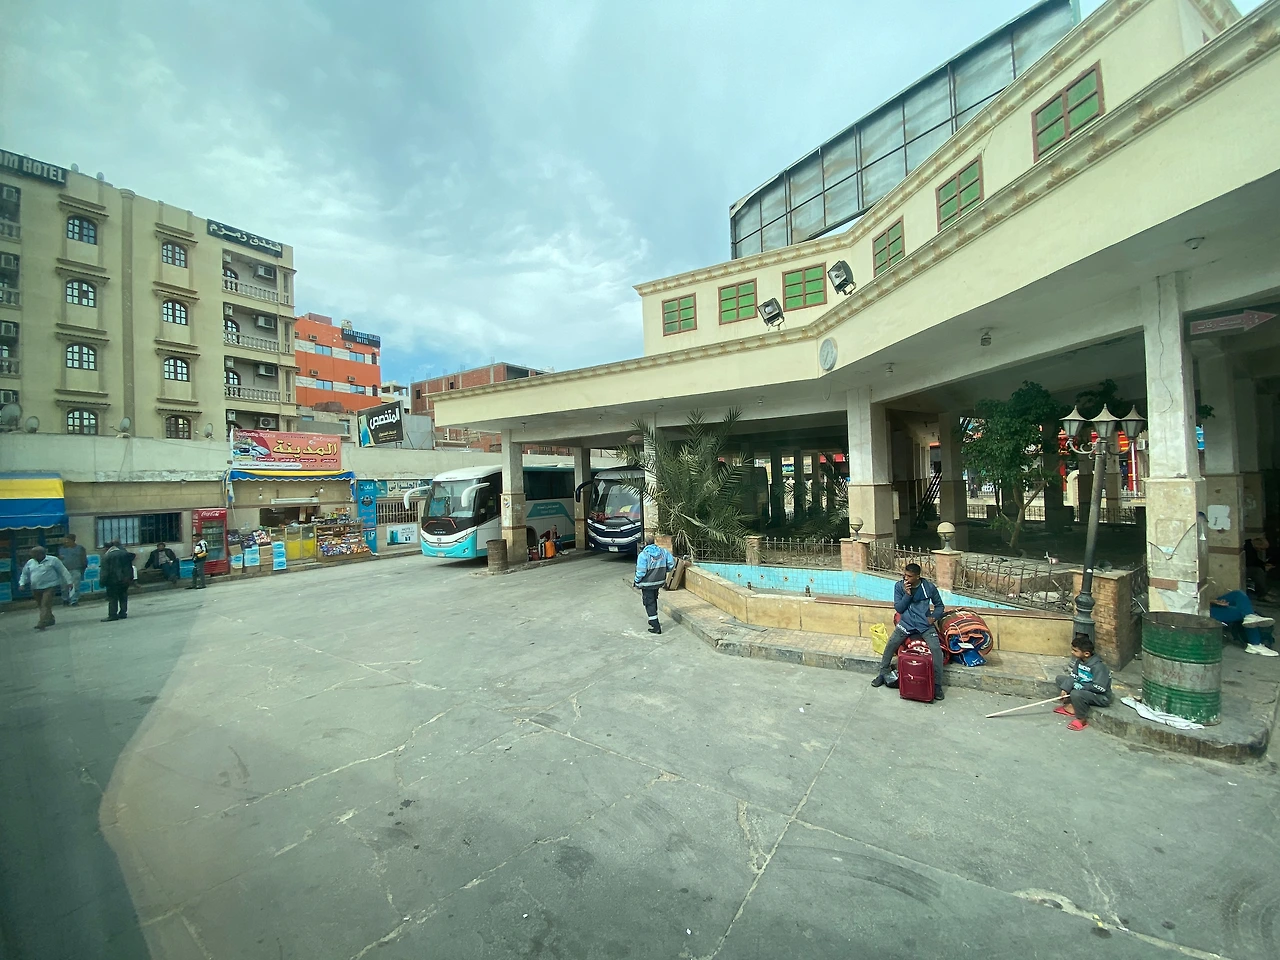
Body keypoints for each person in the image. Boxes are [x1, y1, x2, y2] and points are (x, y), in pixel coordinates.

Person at [872, 562, 946, 700]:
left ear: (917, 576)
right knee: (891, 644)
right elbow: (899, 608)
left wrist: (933, 617)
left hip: (924, 625)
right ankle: (883, 673)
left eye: (909, 576)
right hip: (906, 623)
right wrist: (907, 595)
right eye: (905, 575)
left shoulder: (928, 587)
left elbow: (940, 606)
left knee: (936, 650)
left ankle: (936, 685)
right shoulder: (899, 586)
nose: (906, 578)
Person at [1054, 636, 1113, 730]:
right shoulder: (1079, 661)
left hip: (1100, 696)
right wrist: (1065, 688)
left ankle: (1082, 719)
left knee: (1076, 693)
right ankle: (1071, 706)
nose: (1072, 652)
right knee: (1061, 679)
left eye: (1075, 650)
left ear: (1086, 654)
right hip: (1083, 687)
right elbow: (1074, 676)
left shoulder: (1099, 667)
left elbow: (1100, 688)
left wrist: (1081, 687)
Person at [18, 545, 75, 631]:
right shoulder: (30, 562)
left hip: (49, 586)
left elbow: (63, 570)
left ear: (41, 554)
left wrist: (69, 582)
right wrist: (22, 584)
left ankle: (42, 622)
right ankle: (50, 618)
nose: (32, 555)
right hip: (35, 587)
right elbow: (25, 574)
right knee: (41, 605)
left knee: (45, 604)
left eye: (34, 554)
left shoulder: (53, 560)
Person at [1209, 589, 1278, 656]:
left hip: (1209, 604)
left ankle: (1249, 616)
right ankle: (1255, 644)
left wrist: (1213, 601)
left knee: (1238, 594)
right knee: (1243, 612)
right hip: (1205, 610)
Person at [633, 533, 675, 634]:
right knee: (653, 599)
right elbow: (671, 564)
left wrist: (636, 580)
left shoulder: (643, 555)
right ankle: (652, 619)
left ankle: (656, 626)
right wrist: (665, 571)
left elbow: (641, 572)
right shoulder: (663, 552)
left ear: (645, 543)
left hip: (647, 583)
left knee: (649, 603)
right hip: (659, 581)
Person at [100, 540, 135, 621]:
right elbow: (130, 567)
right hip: (125, 579)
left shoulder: (106, 556)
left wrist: (102, 582)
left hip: (112, 580)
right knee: (123, 596)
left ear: (106, 548)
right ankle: (123, 612)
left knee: (112, 597)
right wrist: (130, 578)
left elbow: (104, 571)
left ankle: (113, 614)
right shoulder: (124, 553)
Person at [58, 533, 88, 606]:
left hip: (76, 569)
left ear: (73, 540)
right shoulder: (61, 549)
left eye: (67, 540)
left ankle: (74, 600)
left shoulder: (80, 548)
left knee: (75, 586)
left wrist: (83, 568)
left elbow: (84, 559)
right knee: (64, 586)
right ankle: (65, 600)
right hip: (64, 571)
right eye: (65, 540)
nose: (66, 541)